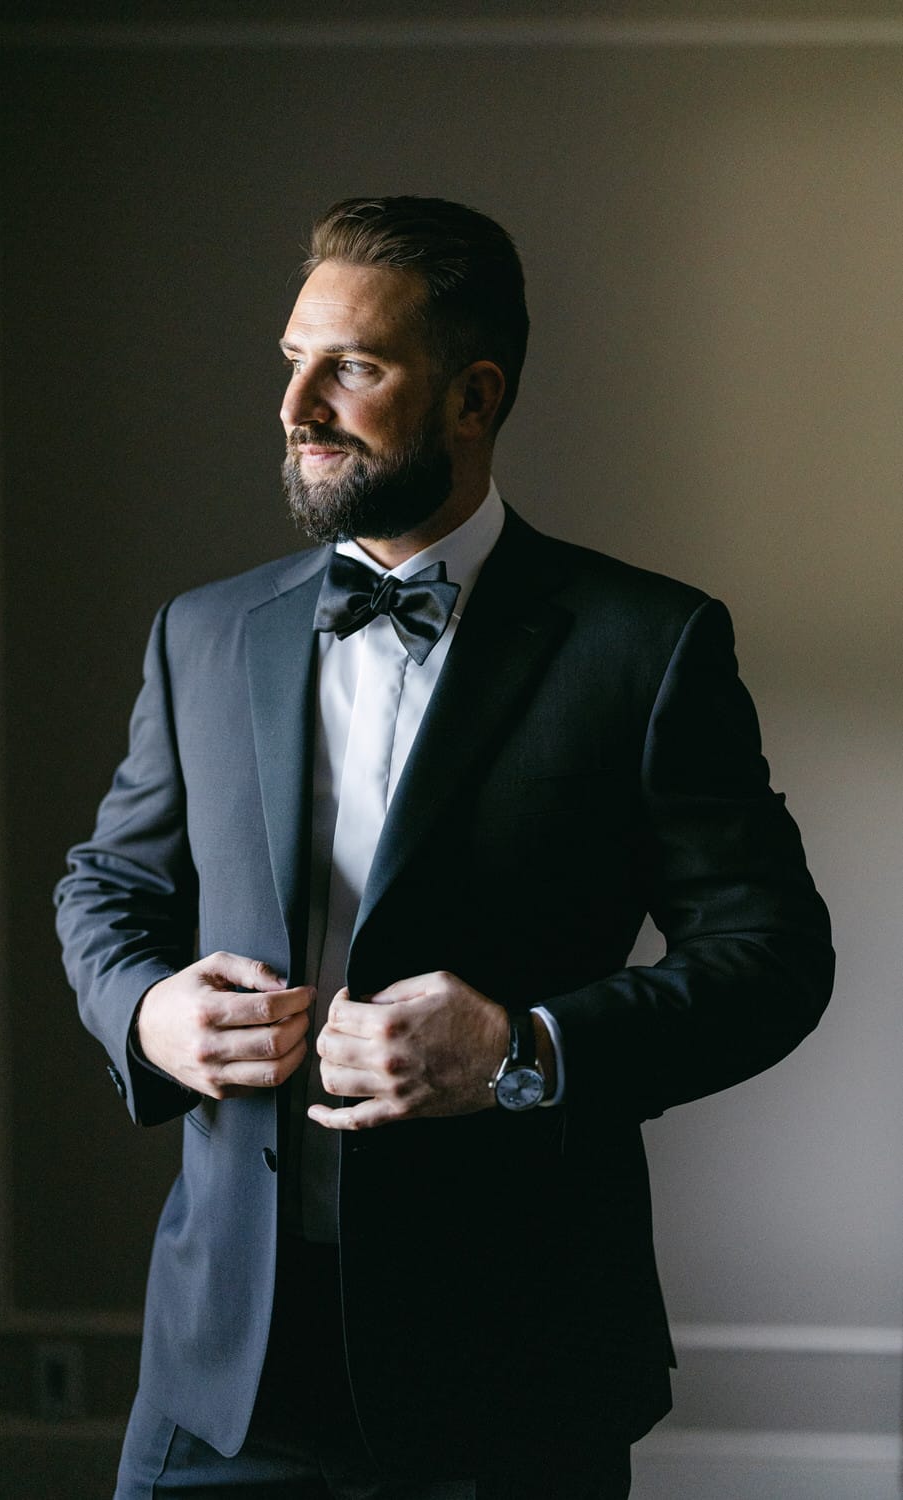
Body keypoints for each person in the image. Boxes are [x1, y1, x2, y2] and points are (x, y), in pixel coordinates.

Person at [55, 196, 834, 1500]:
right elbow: (110, 884)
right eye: (290, 359)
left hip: (512, 1361)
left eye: (350, 366)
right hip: (226, 1355)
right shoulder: (202, 632)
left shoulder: (645, 645)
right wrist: (146, 1014)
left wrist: (523, 1050)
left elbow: (773, 956)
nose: (295, 402)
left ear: (472, 399)